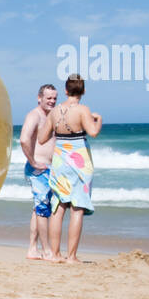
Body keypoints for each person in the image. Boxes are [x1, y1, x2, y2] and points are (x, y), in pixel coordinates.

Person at [38, 73, 102, 263]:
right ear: (82, 91)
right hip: (79, 161)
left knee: (59, 206)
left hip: (60, 160)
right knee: (78, 207)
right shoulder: (83, 109)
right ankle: (71, 256)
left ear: (66, 90)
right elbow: (93, 132)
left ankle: (55, 254)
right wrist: (98, 119)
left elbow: (41, 139)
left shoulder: (55, 111)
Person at [19, 84, 57, 259]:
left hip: (48, 168)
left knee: (38, 208)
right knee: (43, 210)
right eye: (49, 98)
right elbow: (24, 139)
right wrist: (33, 162)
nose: (52, 101)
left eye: (55, 98)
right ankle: (46, 250)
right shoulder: (34, 116)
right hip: (38, 170)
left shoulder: (52, 116)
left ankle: (32, 249)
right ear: (39, 98)